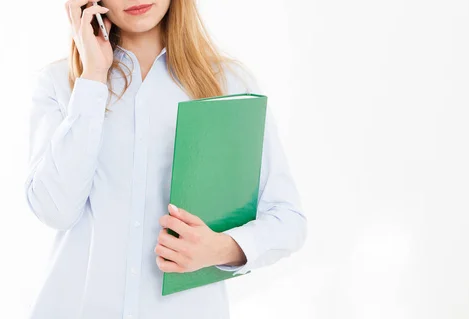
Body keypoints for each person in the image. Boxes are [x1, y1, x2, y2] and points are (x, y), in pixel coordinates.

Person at [24, 0, 307, 318]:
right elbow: (55, 211)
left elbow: (287, 219)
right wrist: (93, 78)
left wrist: (221, 248)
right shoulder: (61, 83)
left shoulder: (228, 83)